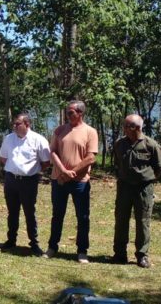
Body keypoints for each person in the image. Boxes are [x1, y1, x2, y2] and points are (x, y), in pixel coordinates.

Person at [45, 100, 98, 264]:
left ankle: (82, 250)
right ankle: (52, 247)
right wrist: (63, 171)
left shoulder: (90, 132)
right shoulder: (60, 130)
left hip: (80, 181)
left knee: (82, 217)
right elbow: (52, 152)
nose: (67, 115)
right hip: (59, 179)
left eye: (70, 113)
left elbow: (91, 157)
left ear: (80, 113)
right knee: (57, 215)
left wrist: (72, 172)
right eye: (67, 113)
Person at [112, 114, 161, 268]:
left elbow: (160, 168)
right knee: (121, 220)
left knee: (143, 222)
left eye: (127, 126)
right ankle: (120, 254)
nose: (124, 129)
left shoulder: (151, 145)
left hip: (143, 188)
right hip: (124, 187)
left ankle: (142, 255)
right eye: (124, 125)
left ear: (137, 128)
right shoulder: (119, 144)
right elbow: (117, 163)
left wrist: (149, 180)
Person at [0, 113, 50, 256]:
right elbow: (3, 158)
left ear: (27, 124)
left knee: (29, 212)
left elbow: (46, 162)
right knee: (12, 212)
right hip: (11, 180)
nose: (14, 126)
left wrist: (32, 171)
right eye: (14, 124)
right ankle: (11, 240)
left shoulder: (38, 140)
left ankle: (34, 243)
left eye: (18, 124)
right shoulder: (8, 139)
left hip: (29, 181)